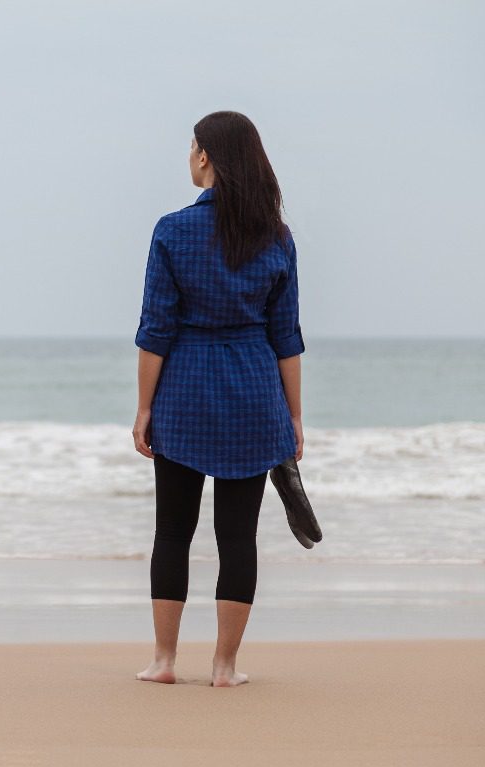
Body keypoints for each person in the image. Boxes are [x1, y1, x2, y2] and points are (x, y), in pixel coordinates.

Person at [131, 111, 305, 688]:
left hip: (185, 390)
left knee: (172, 531)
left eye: (191, 147)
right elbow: (286, 338)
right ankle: (225, 668)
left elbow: (156, 329)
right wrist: (295, 416)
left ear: (205, 157)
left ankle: (163, 662)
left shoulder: (171, 230)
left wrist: (143, 408)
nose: (188, 156)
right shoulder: (276, 236)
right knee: (238, 536)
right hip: (255, 392)